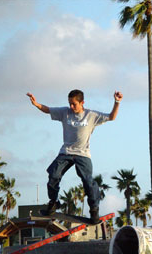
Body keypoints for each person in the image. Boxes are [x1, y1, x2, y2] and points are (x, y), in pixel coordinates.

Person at [27, 89, 123, 224]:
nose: (71, 107)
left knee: (88, 181)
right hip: (65, 152)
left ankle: (94, 210)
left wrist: (117, 102)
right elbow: (48, 110)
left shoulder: (91, 115)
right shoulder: (65, 112)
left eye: (74, 104)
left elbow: (112, 117)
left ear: (82, 102)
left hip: (83, 154)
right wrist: (36, 104)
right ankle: (53, 203)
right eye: (70, 104)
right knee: (53, 175)